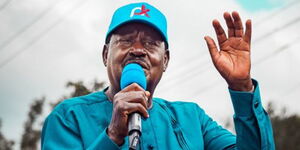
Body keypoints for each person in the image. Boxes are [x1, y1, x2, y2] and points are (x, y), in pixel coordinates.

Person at [41, 2, 275, 150]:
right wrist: (112, 136)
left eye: (151, 43)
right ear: (105, 55)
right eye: (125, 40)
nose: (138, 49)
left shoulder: (192, 118)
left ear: (165, 61)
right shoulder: (68, 117)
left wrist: (241, 87)